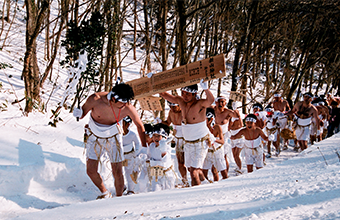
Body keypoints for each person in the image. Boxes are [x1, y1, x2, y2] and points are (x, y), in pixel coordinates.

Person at [73, 82, 146, 199]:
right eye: (122, 104)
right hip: (94, 136)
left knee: (117, 171)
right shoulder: (95, 99)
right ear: (113, 98)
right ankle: (105, 192)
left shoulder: (128, 107)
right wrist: (79, 113)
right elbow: (82, 113)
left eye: (126, 103)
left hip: (114, 137)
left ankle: (119, 198)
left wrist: (144, 147)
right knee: (91, 170)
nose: (124, 106)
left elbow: (139, 126)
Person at [160, 80, 214, 186]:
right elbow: (164, 94)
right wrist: (157, 81)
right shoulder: (181, 102)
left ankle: (196, 197)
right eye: (183, 93)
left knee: (194, 171)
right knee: (191, 169)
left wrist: (206, 89)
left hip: (200, 142)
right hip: (188, 142)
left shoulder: (200, 104)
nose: (185, 96)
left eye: (188, 94)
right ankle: (205, 183)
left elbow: (210, 101)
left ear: (194, 94)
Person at [164, 101, 188, 186]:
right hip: (177, 139)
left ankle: (196, 178)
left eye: (174, 107)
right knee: (180, 162)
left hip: (187, 139)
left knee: (190, 162)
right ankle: (185, 180)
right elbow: (167, 122)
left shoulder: (185, 111)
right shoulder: (171, 112)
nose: (172, 109)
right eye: (170, 106)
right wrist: (159, 121)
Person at [146, 123, 175, 191]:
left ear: (164, 137)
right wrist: (144, 158)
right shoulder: (152, 146)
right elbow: (149, 157)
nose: (156, 138)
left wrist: (163, 150)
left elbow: (165, 160)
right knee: (155, 191)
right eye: (154, 135)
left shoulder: (167, 147)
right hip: (155, 176)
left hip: (166, 176)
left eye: (158, 136)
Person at [202, 108, 228, 181]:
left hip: (217, 151)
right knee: (203, 173)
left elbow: (222, 141)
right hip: (207, 152)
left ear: (211, 119)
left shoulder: (217, 127)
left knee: (223, 172)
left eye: (206, 119)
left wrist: (214, 139)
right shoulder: (203, 128)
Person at [213, 96, 234, 174]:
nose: (221, 104)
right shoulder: (212, 109)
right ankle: (215, 175)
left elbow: (237, 117)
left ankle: (225, 174)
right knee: (213, 156)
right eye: (219, 101)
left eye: (223, 102)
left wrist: (235, 110)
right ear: (216, 102)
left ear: (225, 103)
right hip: (214, 136)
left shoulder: (228, 112)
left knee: (223, 156)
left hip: (224, 136)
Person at [122, 116, 142, 195]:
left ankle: (131, 189)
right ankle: (121, 186)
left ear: (127, 125)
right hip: (120, 156)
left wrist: (136, 153)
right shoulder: (117, 134)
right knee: (118, 172)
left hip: (129, 155)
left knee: (129, 172)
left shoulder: (132, 134)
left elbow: (137, 144)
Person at [228, 102, 244, 174]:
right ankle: (238, 167)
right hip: (232, 137)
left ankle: (240, 169)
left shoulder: (238, 116)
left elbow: (241, 125)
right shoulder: (230, 116)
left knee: (237, 154)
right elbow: (228, 128)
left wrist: (238, 117)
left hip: (239, 138)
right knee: (234, 155)